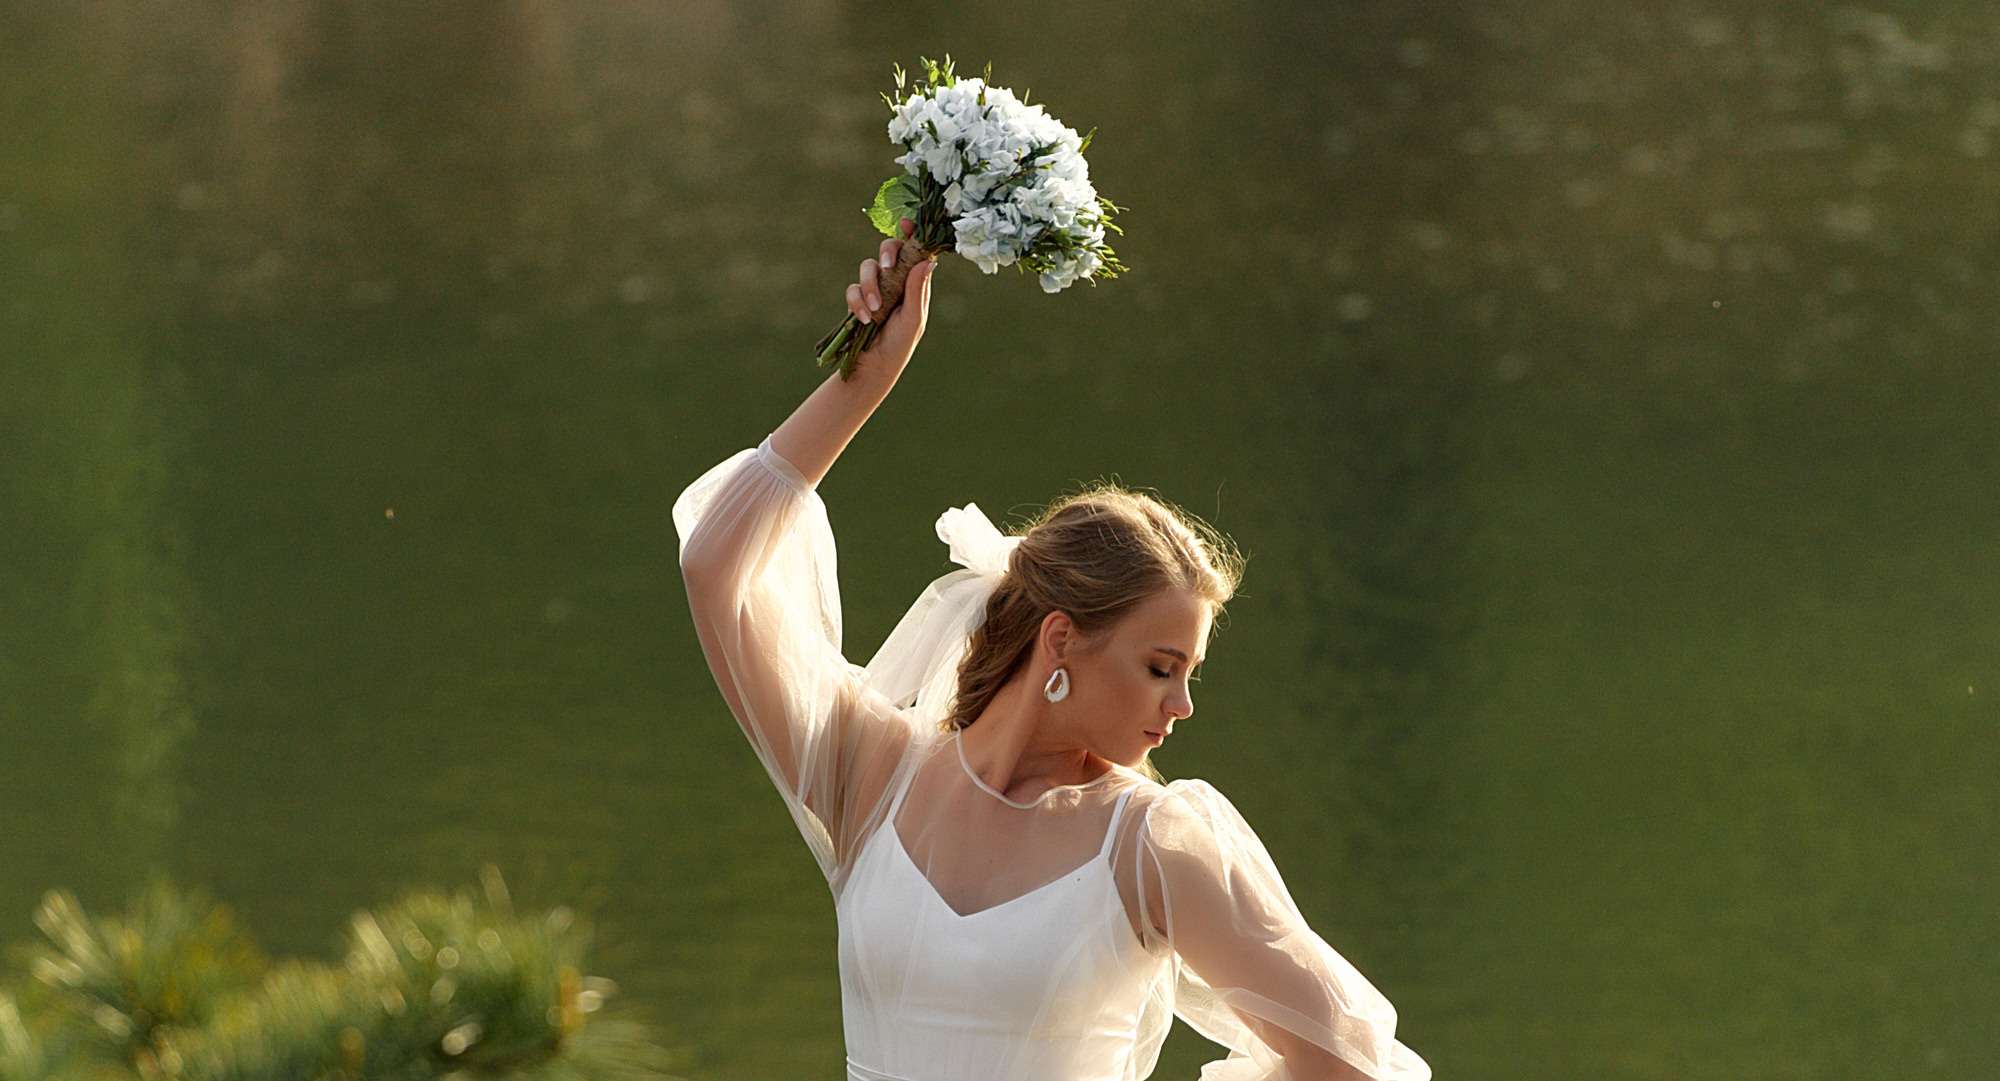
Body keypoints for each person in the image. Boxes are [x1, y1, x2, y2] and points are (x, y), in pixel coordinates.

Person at [675, 224, 1430, 1081]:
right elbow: (715, 565)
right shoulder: (870, 773)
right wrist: (865, 381)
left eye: (1189, 674)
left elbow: (1353, 1061)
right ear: (1062, 638)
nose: (1181, 706)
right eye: (1160, 667)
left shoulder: (1154, 845)